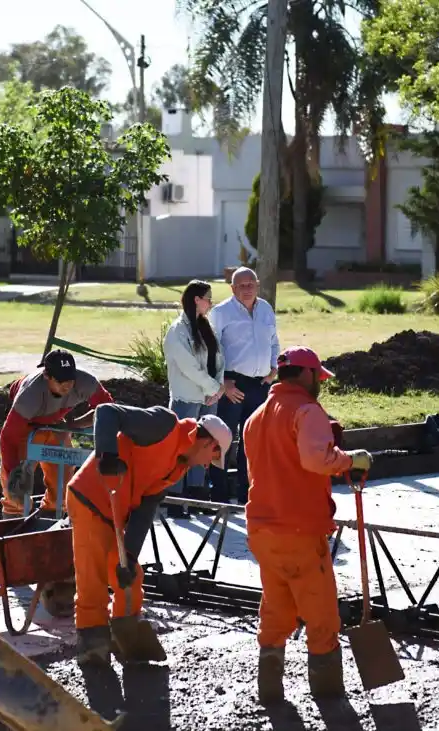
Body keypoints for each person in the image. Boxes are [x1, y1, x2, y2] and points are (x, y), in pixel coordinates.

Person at [242, 346, 374, 705]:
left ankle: (269, 690)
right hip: (299, 529)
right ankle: (330, 697)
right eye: (318, 376)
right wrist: (350, 460)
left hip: (262, 529)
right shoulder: (307, 409)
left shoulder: (255, 417)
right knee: (321, 618)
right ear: (305, 375)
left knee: (276, 608)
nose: (320, 383)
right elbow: (316, 459)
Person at [66, 403, 232, 665]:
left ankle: (125, 633)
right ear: (208, 444)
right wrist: (107, 455)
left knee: (130, 577)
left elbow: (145, 511)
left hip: (117, 510)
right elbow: (106, 412)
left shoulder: (177, 468)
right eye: (213, 458)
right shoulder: (163, 425)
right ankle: (93, 650)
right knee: (93, 580)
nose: (208, 465)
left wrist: (130, 555)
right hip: (91, 498)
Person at [0, 349, 114, 517]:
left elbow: (110, 411)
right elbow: (8, 437)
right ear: (47, 376)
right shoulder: (30, 394)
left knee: (63, 492)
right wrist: (12, 475)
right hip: (27, 424)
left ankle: (51, 522)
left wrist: (75, 424)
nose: (67, 385)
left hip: (56, 424)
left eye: (70, 380)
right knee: (16, 496)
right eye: (60, 381)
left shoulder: (86, 382)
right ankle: (13, 525)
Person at [208, 266, 280, 504]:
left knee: (252, 441)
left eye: (251, 284)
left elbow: (274, 341)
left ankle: (245, 495)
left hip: (260, 385)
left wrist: (273, 368)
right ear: (232, 288)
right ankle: (218, 496)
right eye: (242, 285)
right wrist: (223, 382)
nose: (247, 289)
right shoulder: (221, 313)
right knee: (223, 440)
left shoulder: (266, 309)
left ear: (257, 285)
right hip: (232, 384)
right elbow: (211, 349)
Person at [162, 279, 225, 516]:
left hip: (209, 398)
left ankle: (199, 496)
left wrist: (217, 388)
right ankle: (175, 501)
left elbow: (219, 359)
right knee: (182, 448)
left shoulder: (207, 328)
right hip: (186, 399)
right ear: (196, 300)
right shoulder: (177, 331)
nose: (211, 302)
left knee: (206, 446)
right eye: (208, 297)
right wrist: (213, 388)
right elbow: (188, 367)